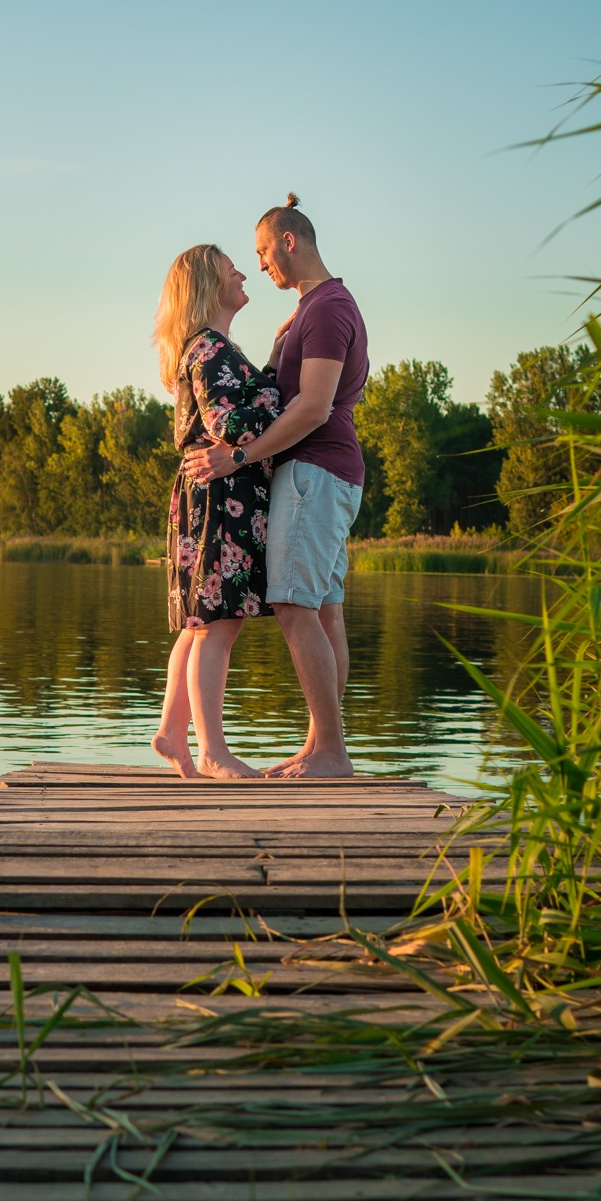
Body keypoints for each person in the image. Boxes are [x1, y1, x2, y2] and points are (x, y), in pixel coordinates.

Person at [184, 195, 368, 778]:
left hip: (314, 470)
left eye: (263, 251)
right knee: (324, 610)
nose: (259, 264)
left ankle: (331, 751)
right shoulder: (318, 308)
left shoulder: (327, 308)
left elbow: (313, 408)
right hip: (324, 472)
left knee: (294, 605)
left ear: (289, 241)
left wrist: (239, 455)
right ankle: (320, 747)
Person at [151, 243, 283, 780]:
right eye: (233, 270)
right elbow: (228, 424)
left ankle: (171, 731)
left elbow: (228, 406)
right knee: (218, 625)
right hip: (220, 500)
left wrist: (271, 364)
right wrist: (285, 399)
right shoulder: (211, 349)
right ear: (209, 286)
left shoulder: (208, 348)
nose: (243, 273)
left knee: (201, 622)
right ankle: (212, 751)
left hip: (208, 496)